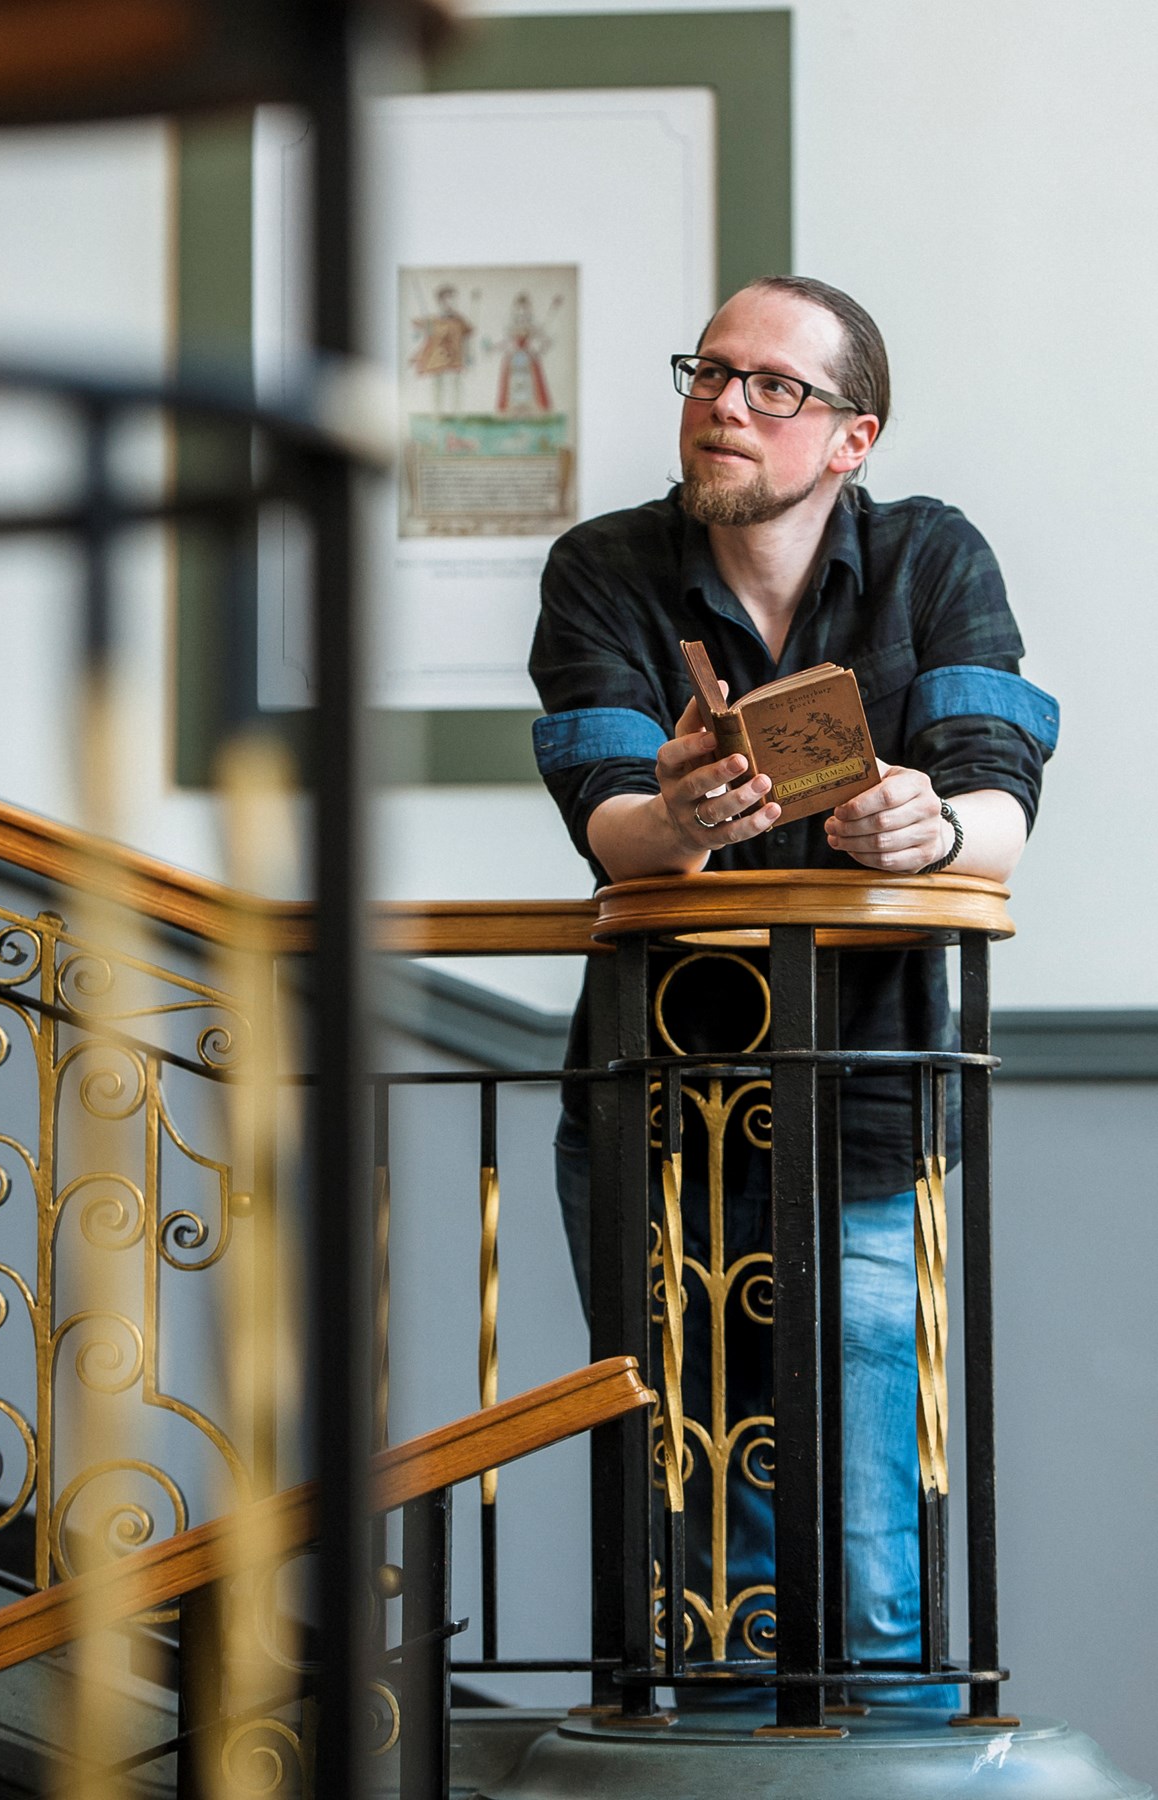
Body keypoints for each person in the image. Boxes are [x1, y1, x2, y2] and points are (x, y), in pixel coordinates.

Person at [529, 276, 1058, 1701]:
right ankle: (712, 1758)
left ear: (851, 437)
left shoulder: (932, 559)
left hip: (871, 1099)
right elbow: (608, 824)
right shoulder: (602, 566)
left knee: (873, 1510)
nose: (724, 404)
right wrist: (683, 823)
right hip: (659, 1102)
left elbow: (998, 799)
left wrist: (928, 832)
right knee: (690, 1499)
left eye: (774, 387)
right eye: (708, 372)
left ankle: (878, 1757)